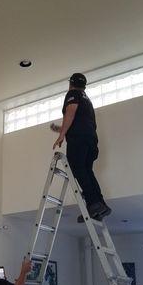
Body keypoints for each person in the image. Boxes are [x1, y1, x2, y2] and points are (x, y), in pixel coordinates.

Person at [51, 73, 111, 222]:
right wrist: (60, 129)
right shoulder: (85, 98)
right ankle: (99, 204)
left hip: (79, 139)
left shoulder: (72, 94)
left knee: (77, 169)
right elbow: (77, 121)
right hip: (90, 140)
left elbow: (70, 114)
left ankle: (93, 204)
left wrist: (61, 135)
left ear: (71, 83)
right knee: (86, 171)